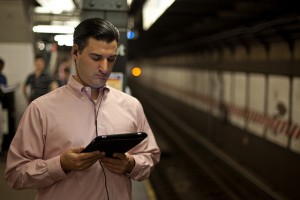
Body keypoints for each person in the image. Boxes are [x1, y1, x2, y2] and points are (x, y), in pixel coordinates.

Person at [5, 17, 161, 200]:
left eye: (111, 59)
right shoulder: (41, 109)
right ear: (75, 52)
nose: (105, 68)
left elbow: (150, 157)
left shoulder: (131, 106)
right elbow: (15, 173)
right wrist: (61, 165)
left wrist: (131, 164)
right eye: (96, 58)